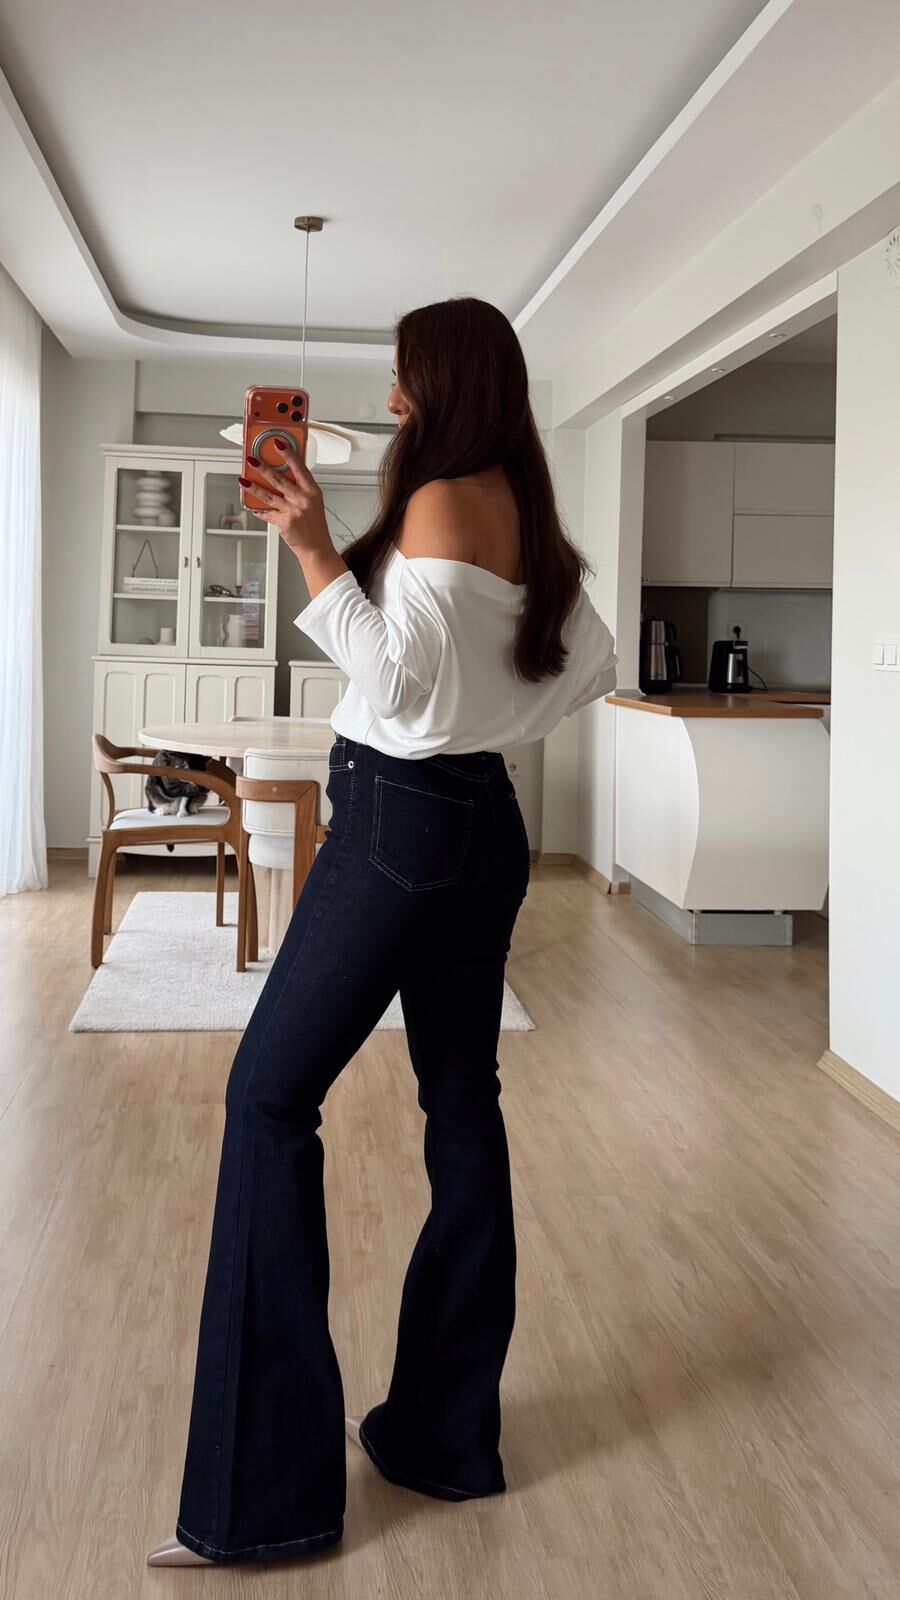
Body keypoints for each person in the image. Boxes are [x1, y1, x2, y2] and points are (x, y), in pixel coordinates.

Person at [148, 296, 617, 1567]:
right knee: (463, 1111)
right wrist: (486, 723)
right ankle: (441, 1439)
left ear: (446, 384)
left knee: (267, 1099)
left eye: (407, 378)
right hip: (482, 824)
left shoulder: (440, 500)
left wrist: (309, 546)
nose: (396, 400)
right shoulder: (521, 510)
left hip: (399, 823)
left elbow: (398, 685)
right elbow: (588, 665)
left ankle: (263, 1501)